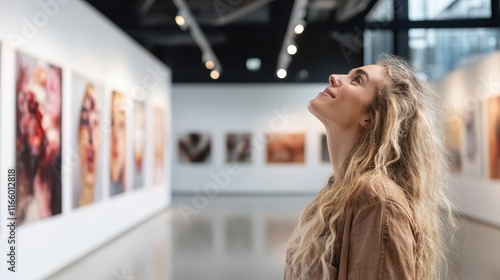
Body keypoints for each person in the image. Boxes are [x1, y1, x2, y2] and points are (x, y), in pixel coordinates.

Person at [284, 54, 456, 280]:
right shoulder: (339, 191)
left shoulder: (377, 199)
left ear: (370, 117)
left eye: (357, 80)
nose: (334, 77)